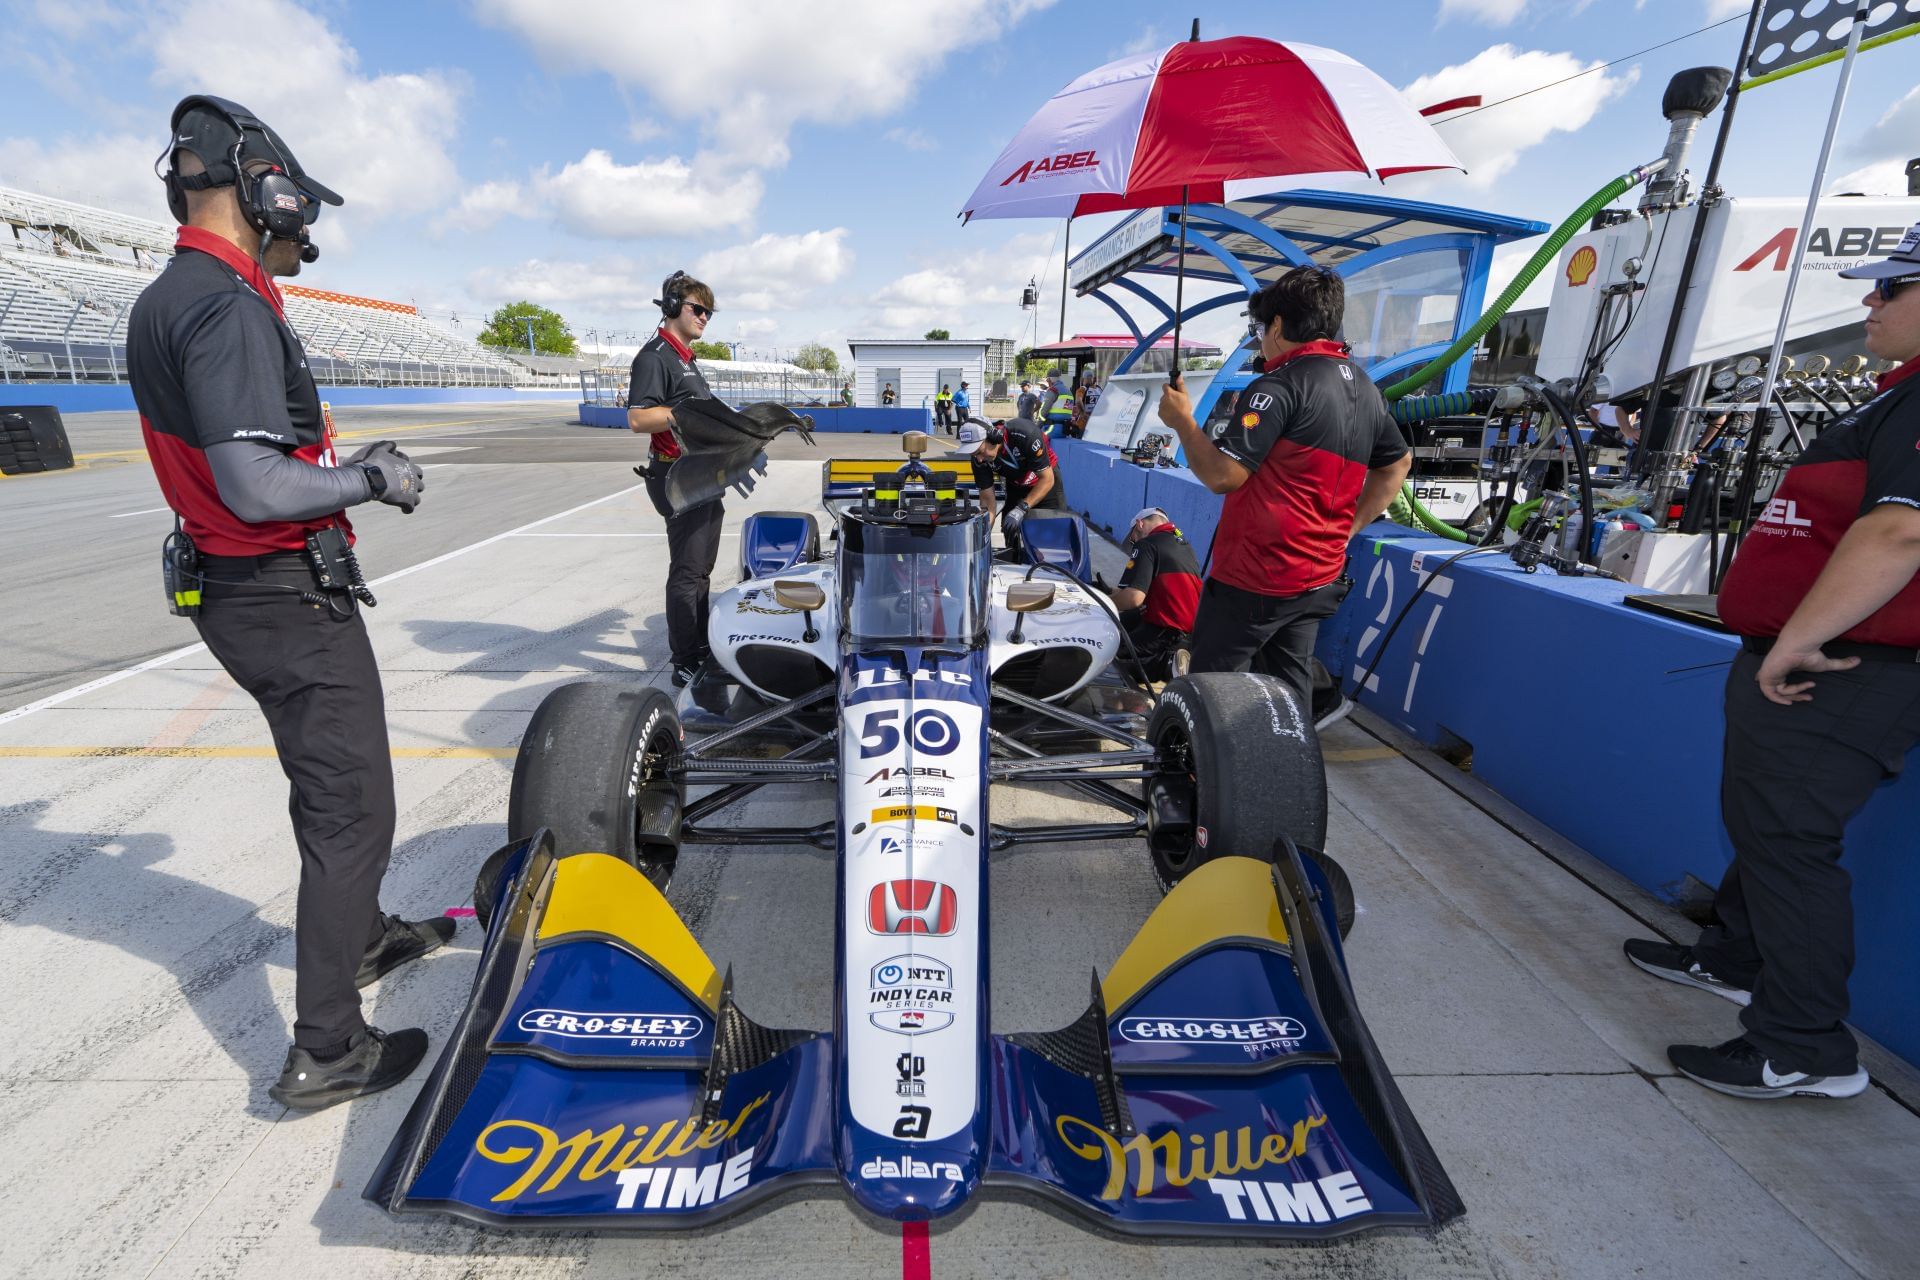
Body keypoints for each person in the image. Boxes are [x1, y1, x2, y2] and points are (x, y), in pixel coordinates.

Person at [128, 95, 449, 1111]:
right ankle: (327, 1049)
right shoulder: (224, 303)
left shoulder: (173, 294)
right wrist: (373, 478)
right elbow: (257, 485)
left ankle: (361, 937)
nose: (303, 223)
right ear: (263, 189)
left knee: (329, 792)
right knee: (354, 806)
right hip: (278, 589)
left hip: (240, 588)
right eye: (297, 202)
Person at [1623, 221, 1920, 1101]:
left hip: (1839, 669)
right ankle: (1735, 960)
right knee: (1763, 826)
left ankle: (1803, 1046)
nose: (1870, 301)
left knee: (1789, 842)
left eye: (1892, 289)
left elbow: (1901, 530)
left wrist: (1796, 637)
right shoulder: (1894, 396)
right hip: (1813, 659)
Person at [1155, 266, 1412, 705]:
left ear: (1277, 325)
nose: (1259, 339)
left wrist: (1183, 422)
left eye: (1259, 328)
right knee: (1289, 698)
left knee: (1209, 696)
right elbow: (1397, 463)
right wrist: (1348, 528)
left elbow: (1222, 475)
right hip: (1318, 576)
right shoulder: (1366, 389)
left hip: (1255, 579)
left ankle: (1198, 773)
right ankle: (1285, 768)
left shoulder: (1276, 386)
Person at [628, 270, 722, 687]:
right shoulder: (655, 357)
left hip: (702, 473)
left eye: (709, 312)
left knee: (701, 570)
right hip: (676, 474)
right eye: (697, 308)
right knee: (687, 571)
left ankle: (700, 646)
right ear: (671, 308)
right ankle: (685, 659)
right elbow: (637, 418)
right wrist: (687, 415)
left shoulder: (685, 359)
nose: (704, 317)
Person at [1106, 507, 1201, 681]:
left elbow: (1133, 598)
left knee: (1106, 650)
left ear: (1140, 524)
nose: (1133, 540)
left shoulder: (1147, 544)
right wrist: (1109, 592)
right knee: (1125, 621)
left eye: (1133, 535)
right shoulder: (1185, 546)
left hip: (1165, 629)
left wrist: (1102, 602)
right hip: (1190, 631)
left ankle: (1166, 664)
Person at [970, 414, 1065, 556]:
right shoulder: (978, 459)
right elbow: (988, 503)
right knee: (1009, 529)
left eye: (979, 451)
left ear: (992, 437)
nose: (979, 458)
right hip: (1016, 483)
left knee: (1055, 533)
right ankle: (1016, 561)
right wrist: (982, 538)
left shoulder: (1024, 433)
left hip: (1045, 481)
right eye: (974, 454)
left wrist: (1022, 508)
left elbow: (1047, 479)